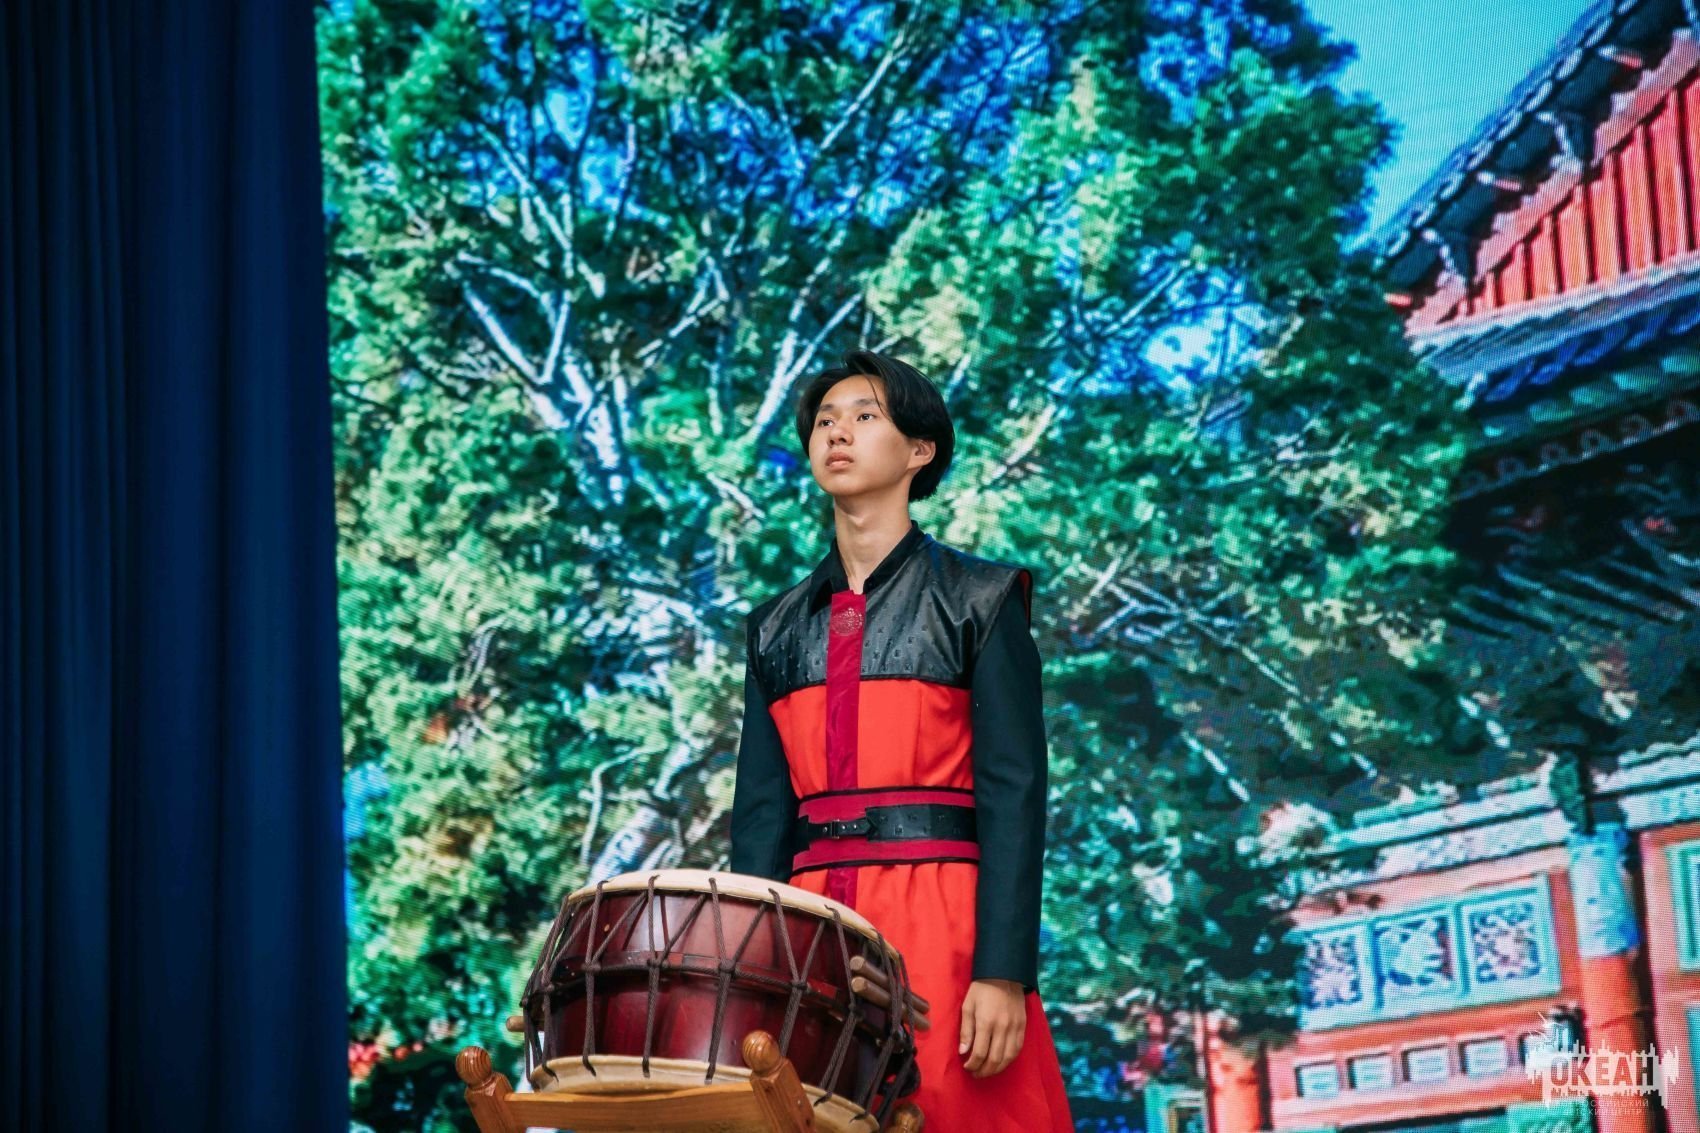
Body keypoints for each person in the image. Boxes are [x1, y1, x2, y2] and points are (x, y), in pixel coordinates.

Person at [728, 350, 1074, 1131]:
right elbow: (760, 822)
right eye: (825, 420)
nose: (837, 432)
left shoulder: (981, 598)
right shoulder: (773, 628)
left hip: (945, 925)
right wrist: (750, 974)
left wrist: (1004, 971)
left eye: (865, 416)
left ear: (920, 450)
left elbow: (1015, 794)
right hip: (808, 931)